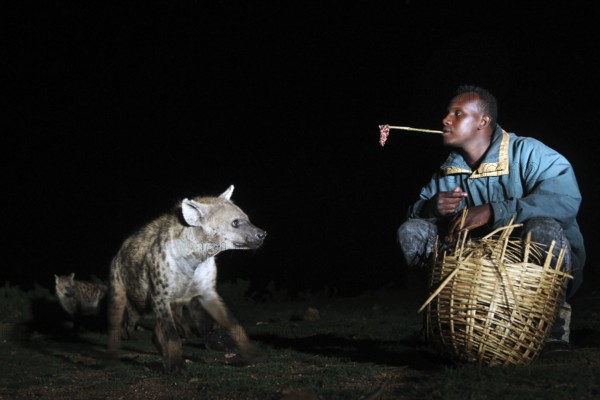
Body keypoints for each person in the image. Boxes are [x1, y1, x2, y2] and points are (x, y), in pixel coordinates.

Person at [397, 85, 585, 352]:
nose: (445, 120)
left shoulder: (529, 153)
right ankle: (442, 320)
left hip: (529, 270)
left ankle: (551, 325)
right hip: (474, 275)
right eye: (448, 113)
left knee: (543, 227)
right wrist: (429, 208)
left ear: (482, 122)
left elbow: (565, 201)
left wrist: (494, 211)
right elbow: (415, 219)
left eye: (457, 113)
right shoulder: (450, 170)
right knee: (411, 231)